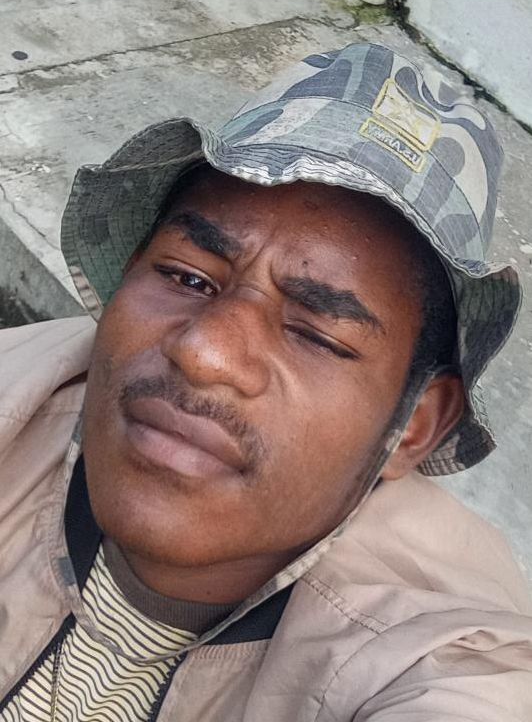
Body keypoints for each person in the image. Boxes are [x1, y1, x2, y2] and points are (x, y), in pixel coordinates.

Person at [0, 42, 530, 721]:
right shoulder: (21, 393)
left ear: (415, 425)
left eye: (317, 334)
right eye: (187, 277)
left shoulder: (444, 658)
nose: (205, 353)